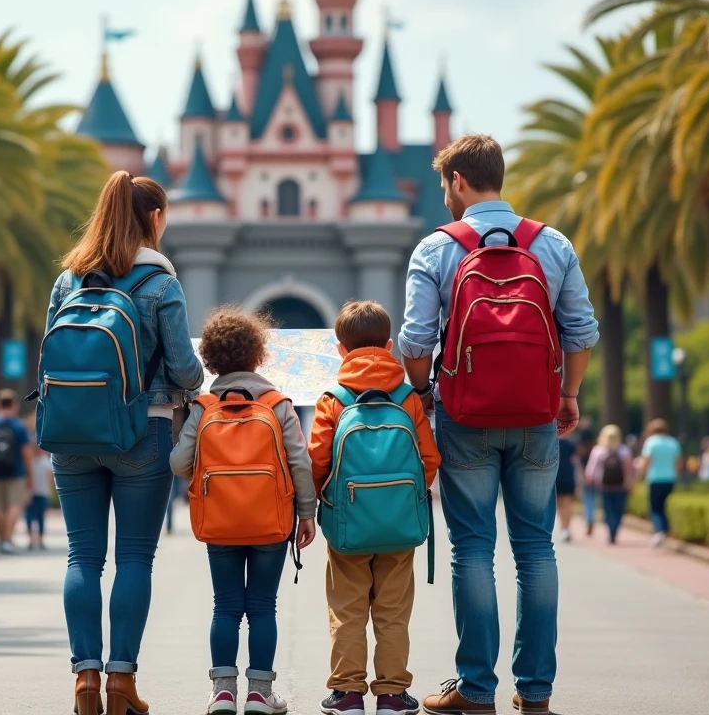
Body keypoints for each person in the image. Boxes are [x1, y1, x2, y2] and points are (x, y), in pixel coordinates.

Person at [399, 135, 598, 715]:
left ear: (459, 180)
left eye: (444, 186)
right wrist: (568, 395)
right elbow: (581, 332)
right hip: (538, 417)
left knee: (473, 549)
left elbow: (414, 342)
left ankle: (477, 689)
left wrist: (424, 392)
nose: (444, 197)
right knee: (536, 549)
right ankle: (535, 691)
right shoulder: (551, 243)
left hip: (465, 417)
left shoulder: (437, 249)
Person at [47, 170, 204, 715]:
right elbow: (186, 373)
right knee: (135, 556)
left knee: (82, 556)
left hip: (70, 433)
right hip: (145, 430)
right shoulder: (161, 282)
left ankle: (83, 678)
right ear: (155, 219)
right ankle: (120, 682)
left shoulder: (69, 280)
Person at [170, 307, 317, 715]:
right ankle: (259, 693)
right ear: (258, 354)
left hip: (219, 522)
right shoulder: (277, 402)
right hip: (271, 522)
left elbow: (180, 464)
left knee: (226, 606)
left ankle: (221, 693)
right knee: (263, 606)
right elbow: (300, 461)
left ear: (212, 359)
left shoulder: (203, 405)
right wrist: (307, 513)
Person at [309, 301, 440, 715]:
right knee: (393, 612)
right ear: (387, 345)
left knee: (346, 610)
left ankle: (347, 693)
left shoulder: (334, 398)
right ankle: (391, 695)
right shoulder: (406, 398)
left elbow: (317, 460)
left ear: (340, 350)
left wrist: (326, 503)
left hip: (348, 526)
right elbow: (429, 459)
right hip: (400, 528)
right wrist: (405, 502)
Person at [0, 390, 35, 555]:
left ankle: (1, 539)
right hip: (15, 472)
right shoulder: (18, 426)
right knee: (14, 505)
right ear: (15, 405)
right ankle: (8, 540)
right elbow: (26, 453)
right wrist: (29, 475)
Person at [585, 425, 634, 545]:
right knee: (619, 509)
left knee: (607, 509)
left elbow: (591, 469)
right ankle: (614, 529)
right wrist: (630, 483)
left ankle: (610, 528)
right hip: (620, 485)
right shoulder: (624, 450)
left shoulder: (598, 450)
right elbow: (629, 469)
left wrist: (589, 479)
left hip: (604, 484)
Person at [640, 419, 683, 548]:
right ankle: (665, 529)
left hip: (654, 479)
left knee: (655, 508)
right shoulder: (673, 442)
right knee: (664, 506)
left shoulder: (651, 442)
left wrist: (641, 475)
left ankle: (660, 531)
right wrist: (677, 475)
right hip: (669, 478)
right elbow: (679, 462)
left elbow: (646, 461)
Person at [554, 431, 580, 542]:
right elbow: (576, 463)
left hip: (556, 477)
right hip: (568, 478)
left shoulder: (551, 444)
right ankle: (566, 528)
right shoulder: (570, 445)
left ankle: (564, 528)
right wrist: (579, 478)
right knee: (568, 504)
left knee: (560, 504)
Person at [26, 448, 53, 550]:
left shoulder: (42, 462)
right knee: (33, 517)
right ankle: (34, 539)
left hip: (38, 493)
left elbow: (50, 478)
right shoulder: (43, 462)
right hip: (36, 493)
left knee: (35, 517)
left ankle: (37, 539)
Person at [575, 429, 598, 537]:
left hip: (585, 477)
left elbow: (578, 465)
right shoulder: (595, 448)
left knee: (588, 501)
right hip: (597, 478)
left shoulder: (580, 450)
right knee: (593, 500)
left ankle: (589, 520)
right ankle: (590, 519)